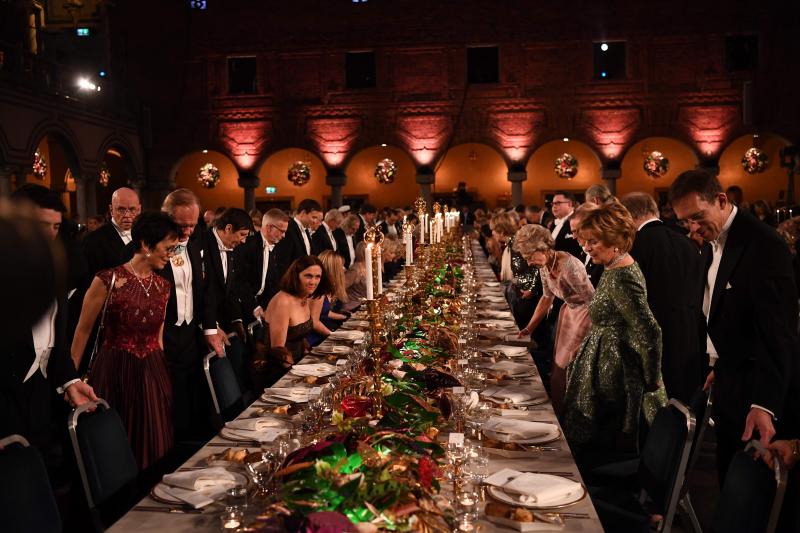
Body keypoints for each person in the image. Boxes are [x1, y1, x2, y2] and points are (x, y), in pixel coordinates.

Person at [669, 170, 799, 484]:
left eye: (698, 217)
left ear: (722, 200)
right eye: (686, 221)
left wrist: (764, 403)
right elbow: (723, 312)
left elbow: (778, 332)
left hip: (760, 389)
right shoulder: (708, 242)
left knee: (752, 493)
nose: (694, 228)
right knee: (726, 477)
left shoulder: (764, 244)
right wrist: (721, 360)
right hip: (731, 377)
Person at [71, 212, 178, 469]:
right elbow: (82, 331)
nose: (171, 255)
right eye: (167, 248)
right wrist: (71, 381)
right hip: (114, 371)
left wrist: (163, 379)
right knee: (115, 447)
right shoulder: (106, 280)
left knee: (156, 445)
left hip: (153, 373)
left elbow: (159, 336)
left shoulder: (164, 286)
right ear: (145, 245)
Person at [563, 202, 667, 462]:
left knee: (602, 447)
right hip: (605, 365)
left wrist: (652, 378)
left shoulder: (623, 275)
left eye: (593, 242)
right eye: (585, 241)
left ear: (616, 241)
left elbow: (650, 330)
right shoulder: (613, 267)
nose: (586, 248)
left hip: (618, 376)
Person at [1, 188, 96, 460]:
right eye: (40, 226)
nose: (49, 236)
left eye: (55, 227)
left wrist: (69, 380)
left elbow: (57, 338)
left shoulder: (53, 269)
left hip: (39, 395)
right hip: (4, 400)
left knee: (41, 479)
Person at [620, 192, 706, 403]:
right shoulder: (686, 241)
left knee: (654, 407)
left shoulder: (634, 246)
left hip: (653, 340)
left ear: (628, 216)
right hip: (689, 335)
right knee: (681, 405)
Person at [515, 224, 594, 413]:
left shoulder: (571, 266)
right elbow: (546, 297)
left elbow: (591, 300)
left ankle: (573, 418)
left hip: (585, 316)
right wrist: (529, 328)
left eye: (529, 257)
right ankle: (560, 413)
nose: (528, 263)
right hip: (568, 316)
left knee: (570, 370)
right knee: (558, 370)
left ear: (542, 248)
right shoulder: (545, 266)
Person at [159, 189, 213, 441]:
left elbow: (204, 288)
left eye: (193, 225)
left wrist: (210, 328)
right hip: (164, 333)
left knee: (190, 400)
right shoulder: (151, 248)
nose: (188, 232)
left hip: (190, 332)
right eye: (182, 226)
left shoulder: (196, 241)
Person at [200, 208, 253, 390]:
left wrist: (236, 319)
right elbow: (201, 292)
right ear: (228, 228)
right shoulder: (202, 243)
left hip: (224, 320)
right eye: (242, 234)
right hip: (203, 324)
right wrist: (212, 325)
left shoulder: (232, 247)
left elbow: (231, 288)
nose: (244, 240)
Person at [262, 256, 333, 380]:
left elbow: (299, 337)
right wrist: (302, 377)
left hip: (300, 364)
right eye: (308, 276)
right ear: (296, 276)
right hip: (280, 373)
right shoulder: (283, 301)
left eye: (318, 277)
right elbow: (278, 352)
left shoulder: (303, 296)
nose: (313, 282)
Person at [236, 208, 290, 320]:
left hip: (264, 304)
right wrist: (254, 306)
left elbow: (272, 281)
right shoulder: (247, 246)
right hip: (242, 306)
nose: (284, 236)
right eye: (282, 231)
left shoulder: (278, 247)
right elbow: (240, 281)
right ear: (269, 227)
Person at [82, 187, 141, 278]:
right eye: (121, 210)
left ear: (139, 209)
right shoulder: (94, 241)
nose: (127, 215)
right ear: (111, 210)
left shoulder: (145, 235)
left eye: (132, 209)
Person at [307, 250, 350, 347]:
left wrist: (345, 317)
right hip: (314, 340)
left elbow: (323, 311)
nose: (344, 269)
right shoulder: (319, 290)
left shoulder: (327, 287)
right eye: (341, 266)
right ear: (333, 269)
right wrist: (333, 335)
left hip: (323, 332)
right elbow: (314, 322)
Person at [273, 198, 322, 275]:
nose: (315, 221)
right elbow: (283, 261)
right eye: (314, 217)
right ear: (303, 213)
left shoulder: (305, 230)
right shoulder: (288, 229)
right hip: (292, 279)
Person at [569, 203, 603, 288]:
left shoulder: (604, 256)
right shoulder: (583, 253)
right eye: (572, 232)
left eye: (576, 231)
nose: (573, 237)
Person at [550, 191, 583, 258]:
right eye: (553, 204)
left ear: (570, 204)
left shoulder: (577, 221)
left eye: (558, 203)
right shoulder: (553, 224)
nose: (554, 206)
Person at [344, 241, 370, 312]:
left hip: (364, 306)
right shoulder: (355, 269)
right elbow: (340, 288)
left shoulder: (369, 267)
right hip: (353, 308)